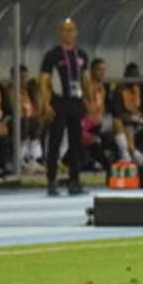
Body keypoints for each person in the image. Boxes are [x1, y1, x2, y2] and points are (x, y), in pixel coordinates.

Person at [39, 18, 91, 195]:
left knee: (76, 143)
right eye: (64, 30)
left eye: (71, 30)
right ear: (60, 33)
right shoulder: (52, 55)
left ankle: (74, 181)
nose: (68, 33)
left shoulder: (81, 55)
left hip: (76, 102)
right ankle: (51, 181)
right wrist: (46, 104)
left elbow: (85, 78)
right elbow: (44, 81)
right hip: (58, 102)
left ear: (76, 32)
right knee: (55, 141)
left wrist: (88, 99)